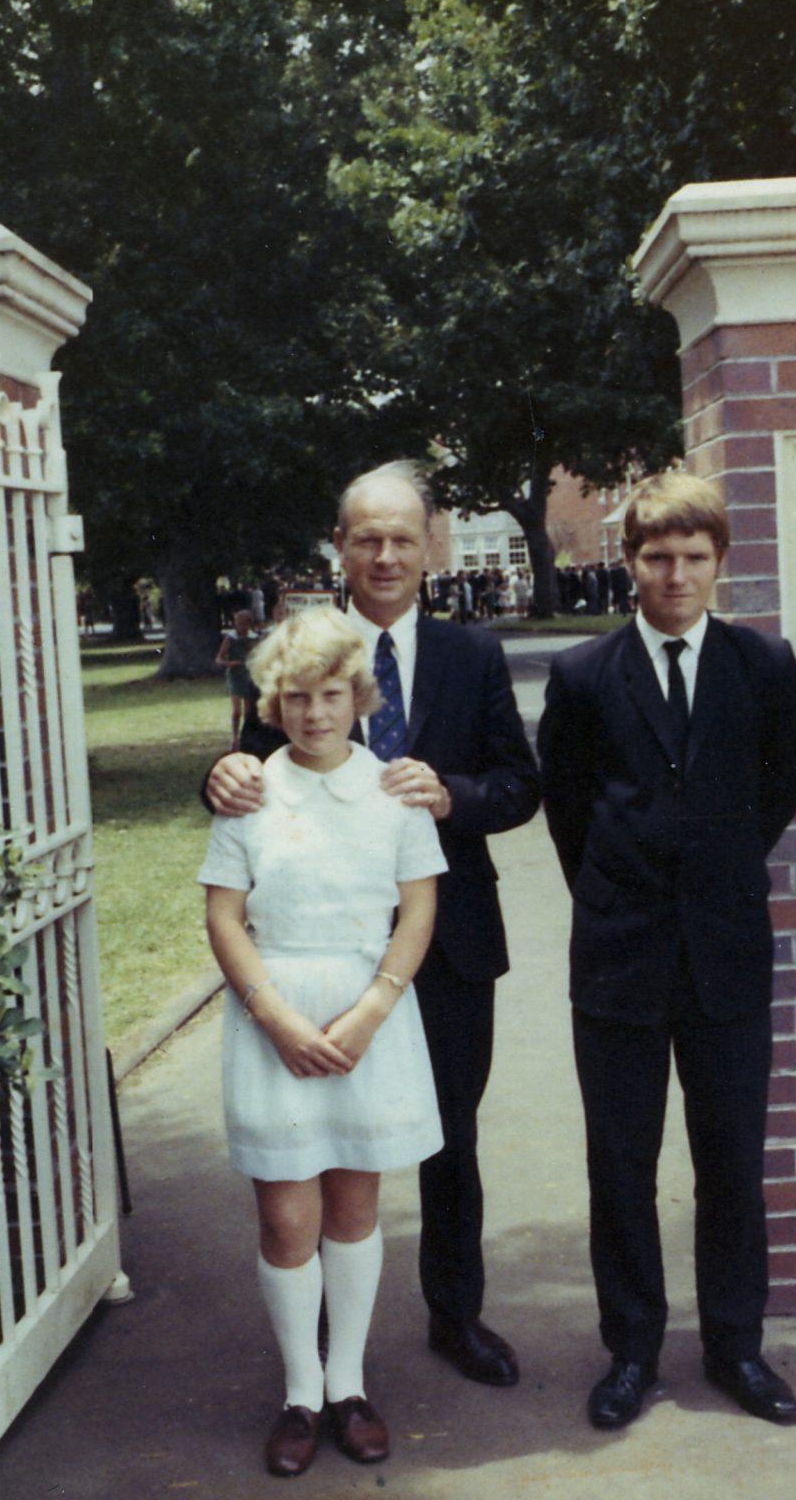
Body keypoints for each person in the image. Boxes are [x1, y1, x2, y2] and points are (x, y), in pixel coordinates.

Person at [206, 461, 541, 1389]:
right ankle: (315, 1349)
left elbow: (520, 784)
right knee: (318, 1145)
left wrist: (453, 795)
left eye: (402, 537)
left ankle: (456, 1316)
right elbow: (248, 771)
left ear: (428, 546)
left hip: (448, 933)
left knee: (447, 1136)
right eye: (366, 538)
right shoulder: (304, 655)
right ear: (341, 547)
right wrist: (216, 778)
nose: (385, 555)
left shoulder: (471, 654)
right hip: (317, 949)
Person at [537, 470, 796, 1433]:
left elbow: (782, 784)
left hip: (727, 950)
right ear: (630, 565)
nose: (677, 575)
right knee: (621, 1160)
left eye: (696, 558)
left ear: (720, 563)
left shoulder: (764, 667)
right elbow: (567, 808)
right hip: (618, 954)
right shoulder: (582, 676)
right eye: (658, 557)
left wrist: (718, 874)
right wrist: (622, 890)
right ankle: (633, 1350)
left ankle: (737, 1345)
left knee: (732, 1157)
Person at [199, 607, 447, 1477]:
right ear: (273, 702)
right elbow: (225, 916)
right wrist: (274, 1015)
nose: (314, 714)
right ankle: (299, 1390)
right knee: (286, 1212)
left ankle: (348, 1382)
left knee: (354, 1202)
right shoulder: (250, 792)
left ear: (360, 697)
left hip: (367, 1016)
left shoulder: (393, 790)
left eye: (331, 695)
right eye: (296, 698)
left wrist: (374, 1008)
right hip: (277, 1017)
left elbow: (417, 906)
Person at [216, 608, 261, 750]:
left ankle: (245, 738)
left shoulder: (254, 638)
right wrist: (230, 663)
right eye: (238, 623)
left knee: (249, 713)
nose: (240, 627)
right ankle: (234, 737)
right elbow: (219, 659)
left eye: (244, 624)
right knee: (237, 711)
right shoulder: (230, 638)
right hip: (235, 676)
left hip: (248, 676)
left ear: (249, 624)